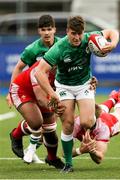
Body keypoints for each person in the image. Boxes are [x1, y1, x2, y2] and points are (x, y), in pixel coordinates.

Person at [33, 15, 119, 172]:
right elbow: (39, 72)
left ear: (83, 32)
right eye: (73, 33)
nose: (77, 37)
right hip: (64, 87)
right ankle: (69, 164)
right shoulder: (59, 48)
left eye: (79, 33)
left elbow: (112, 32)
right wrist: (52, 93)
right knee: (68, 123)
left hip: (84, 84)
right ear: (67, 32)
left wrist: (112, 44)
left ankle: (96, 111)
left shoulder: (89, 39)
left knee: (87, 122)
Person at [8, 14, 65, 168]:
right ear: (39, 31)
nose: (46, 33)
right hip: (30, 87)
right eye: (43, 29)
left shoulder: (62, 45)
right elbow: (19, 68)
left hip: (46, 87)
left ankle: (51, 158)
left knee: (50, 129)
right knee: (37, 122)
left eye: (49, 29)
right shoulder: (33, 51)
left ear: (54, 29)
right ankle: (16, 135)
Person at [72, 87, 120, 164]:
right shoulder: (74, 124)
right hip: (98, 116)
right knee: (101, 109)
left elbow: (99, 159)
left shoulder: (103, 128)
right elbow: (64, 153)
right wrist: (80, 150)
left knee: (119, 112)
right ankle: (113, 98)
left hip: (109, 121)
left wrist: (91, 150)